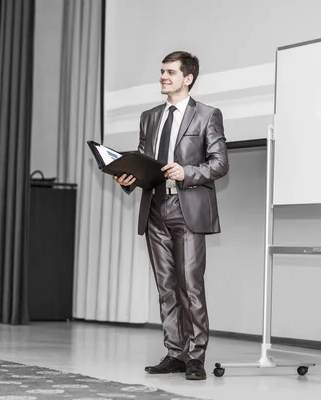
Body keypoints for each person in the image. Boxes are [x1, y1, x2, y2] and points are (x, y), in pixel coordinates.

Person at [114, 51, 228, 380]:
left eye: (170, 72)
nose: (163, 77)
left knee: (190, 286)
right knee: (165, 287)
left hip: (187, 208)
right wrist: (128, 178)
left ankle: (195, 358)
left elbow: (220, 163)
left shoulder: (207, 115)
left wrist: (186, 171)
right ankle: (174, 352)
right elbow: (145, 164)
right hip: (155, 208)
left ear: (188, 78)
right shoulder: (149, 117)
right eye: (162, 71)